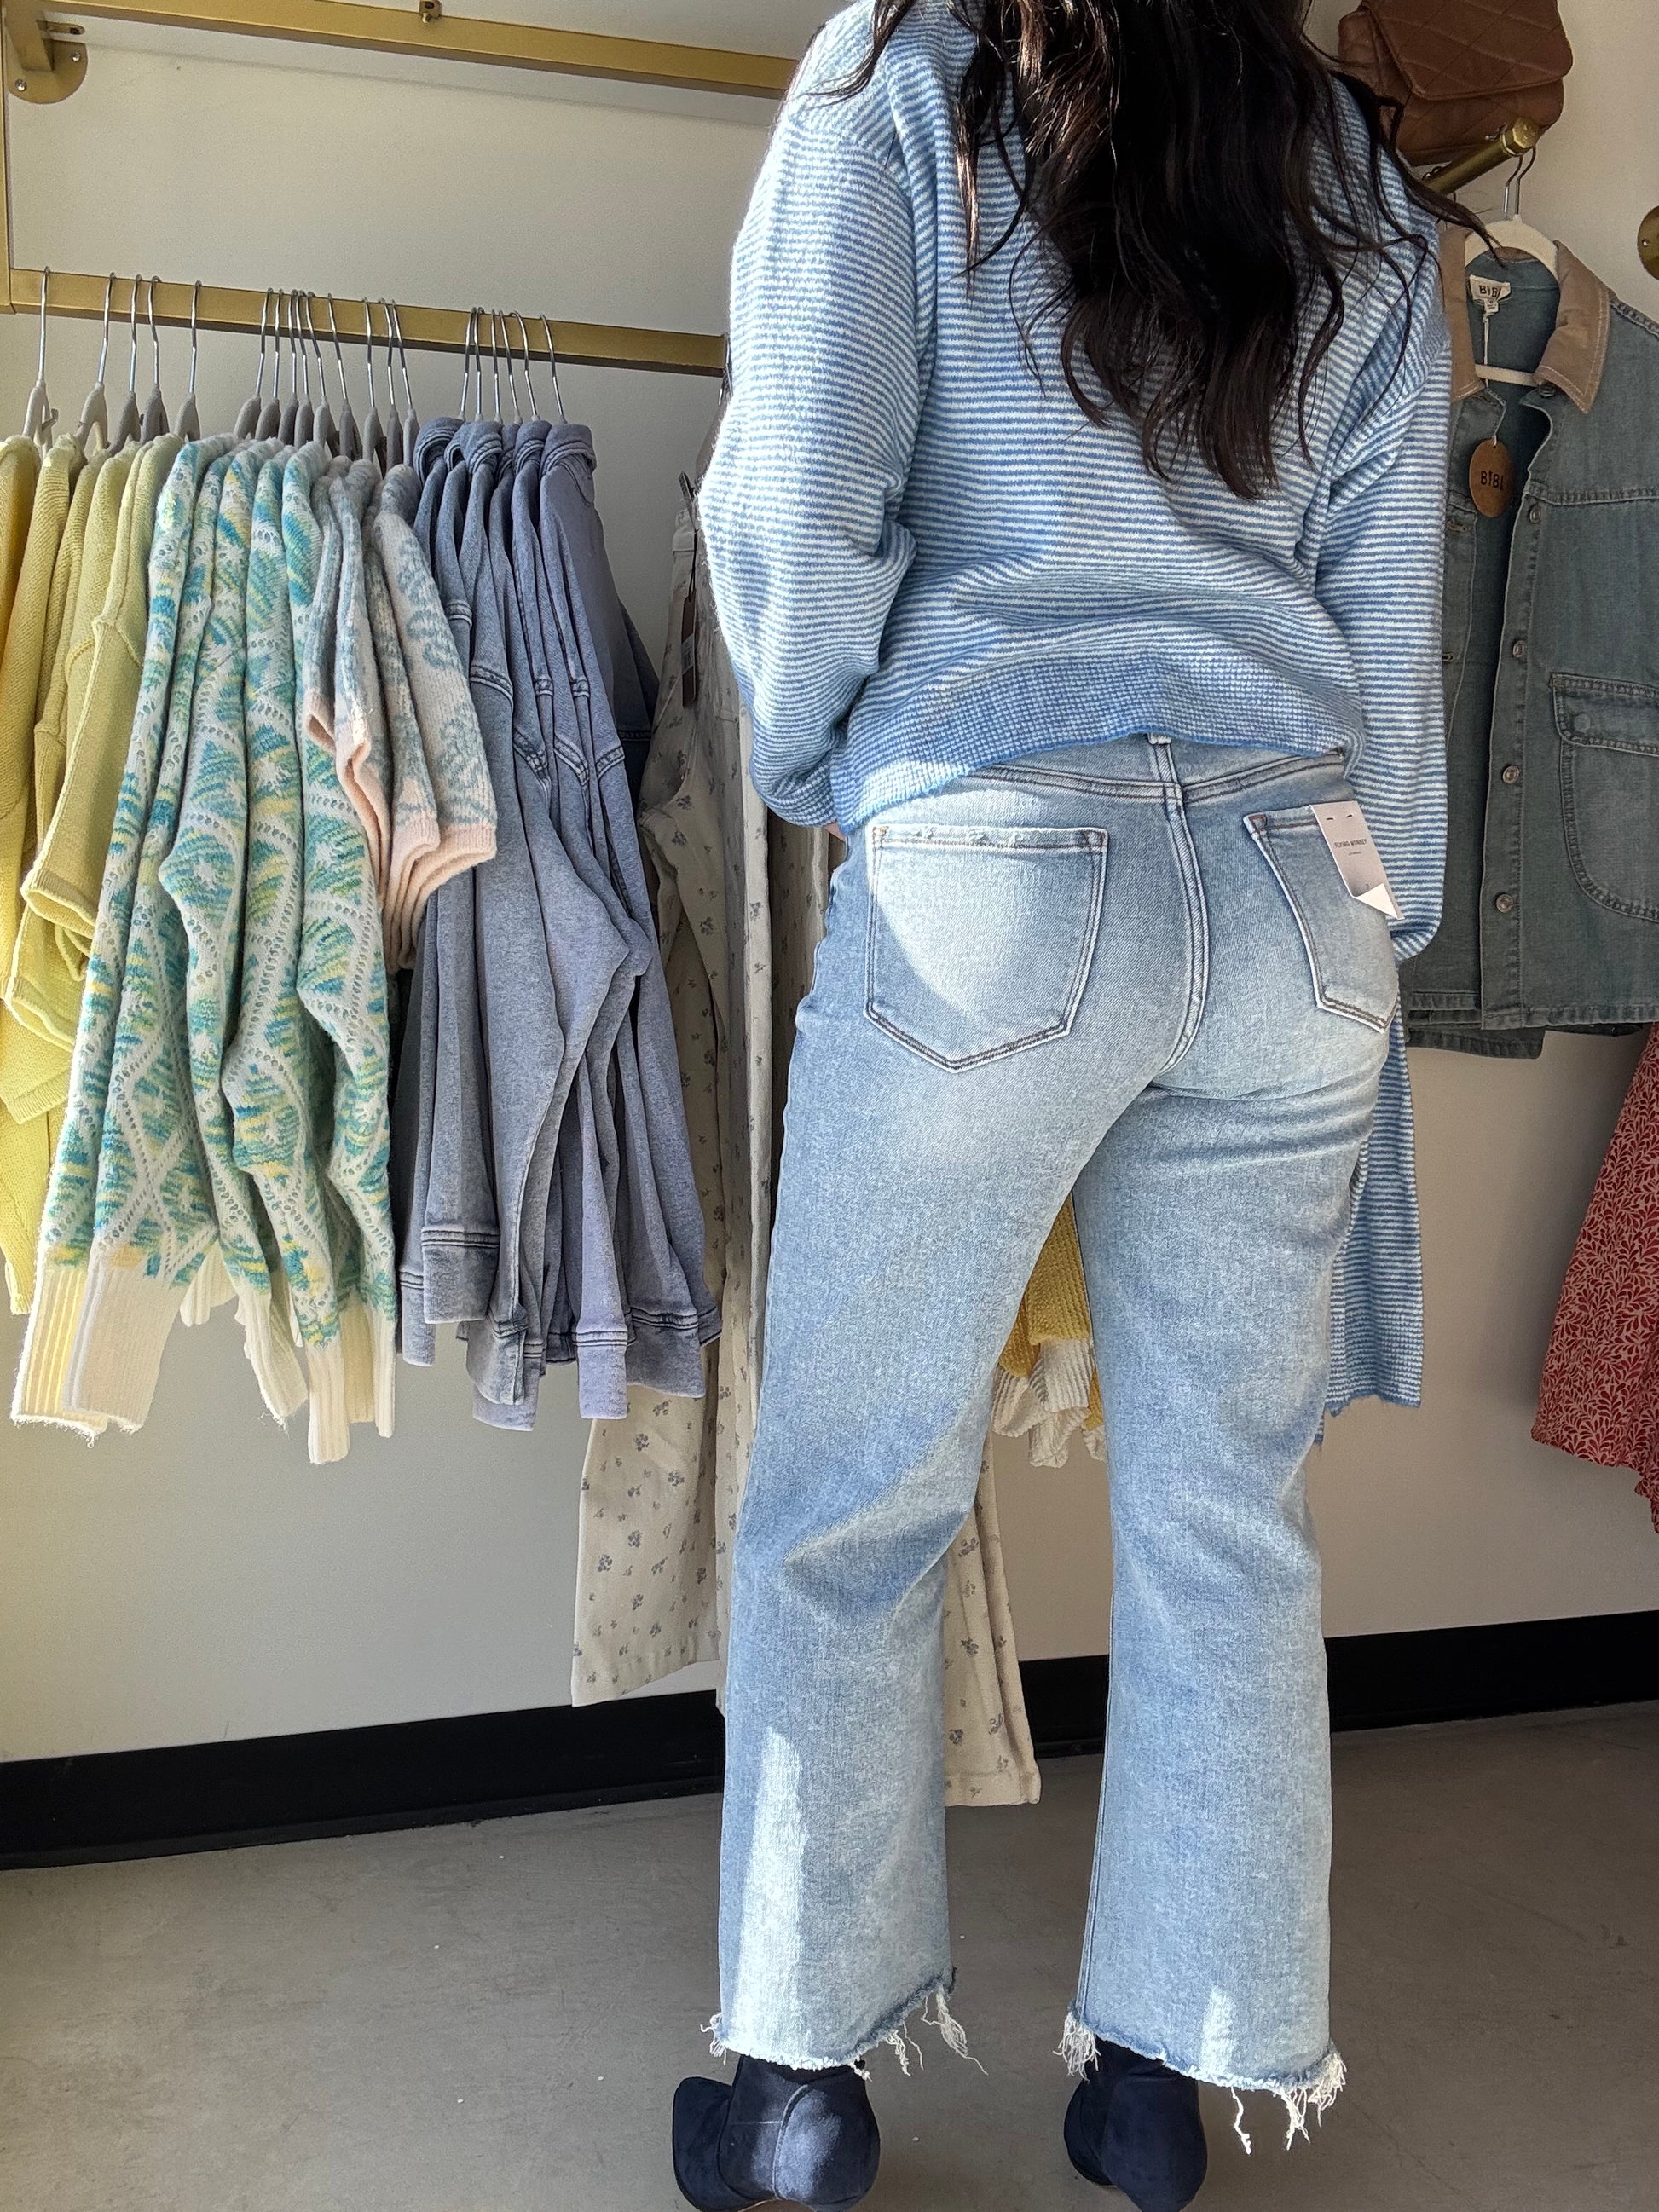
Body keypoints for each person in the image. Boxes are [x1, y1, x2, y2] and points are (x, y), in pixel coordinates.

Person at [675, 4, 1460, 2206]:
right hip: (1296, 875)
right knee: (1228, 1519)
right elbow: (1387, 592)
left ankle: (797, 2088)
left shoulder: (901, 86)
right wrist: (1377, 900)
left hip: (996, 849)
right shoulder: (1340, 155)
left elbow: (800, 491)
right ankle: (1159, 2088)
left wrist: (836, 767)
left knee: (851, 1503)